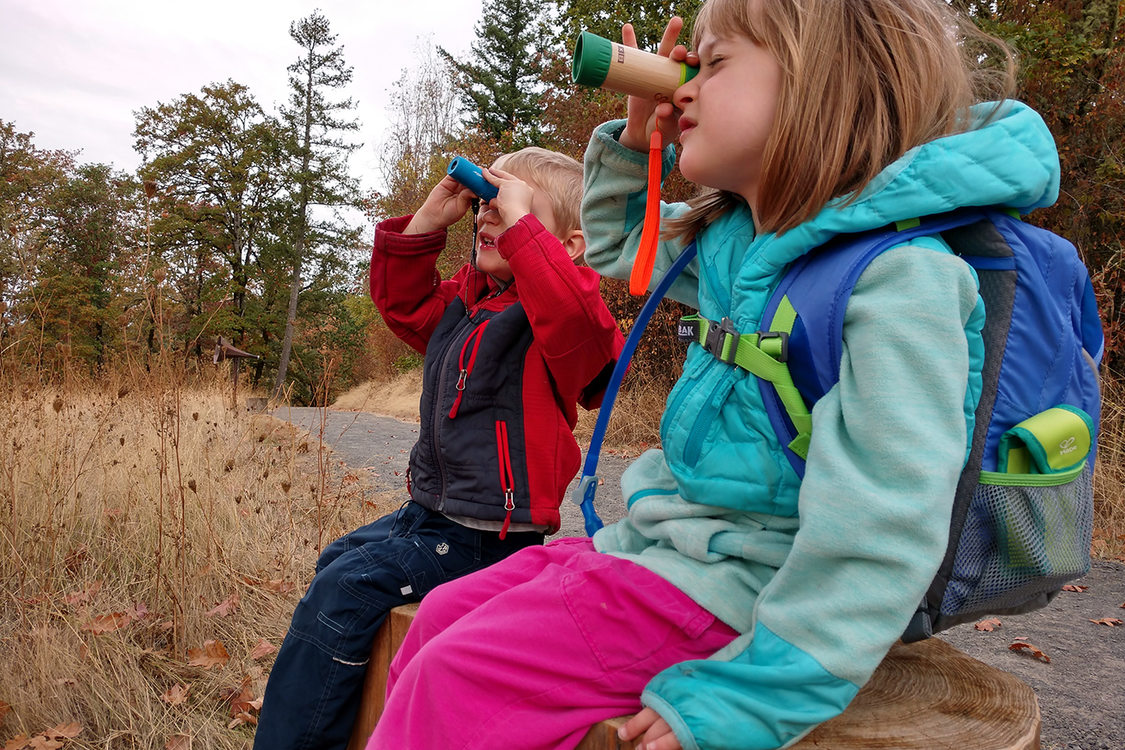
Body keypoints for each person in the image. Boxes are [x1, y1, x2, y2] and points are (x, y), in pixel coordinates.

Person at [366, 1, 1062, 749]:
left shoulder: (897, 280)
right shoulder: (744, 242)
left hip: (748, 583)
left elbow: (881, 532)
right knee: (441, 616)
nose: (684, 87)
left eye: (715, 63)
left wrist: (755, 697)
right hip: (668, 547)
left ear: (821, 88)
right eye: (687, 64)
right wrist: (637, 145)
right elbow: (617, 248)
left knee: (458, 676)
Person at [253, 147, 623, 750]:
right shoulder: (467, 303)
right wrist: (428, 222)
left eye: (508, 207)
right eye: (484, 204)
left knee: (345, 592)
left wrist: (524, 231)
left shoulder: (553, 320)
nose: (487, 216)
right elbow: (405, 307)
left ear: (569, 245)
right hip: (427, 516)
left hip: (489, 537)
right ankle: (360, 723)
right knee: (338, 561)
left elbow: (587, 336)